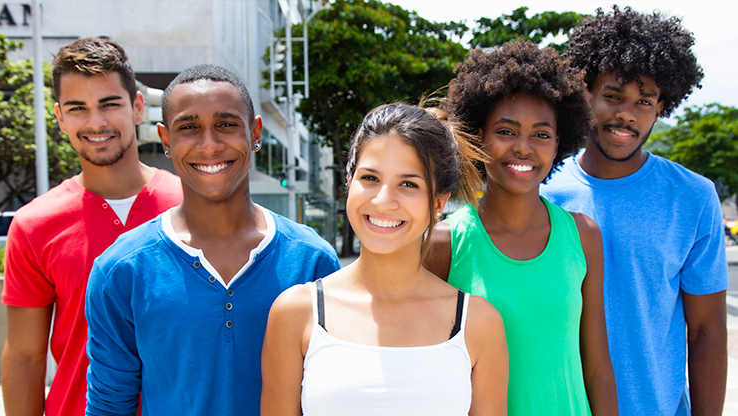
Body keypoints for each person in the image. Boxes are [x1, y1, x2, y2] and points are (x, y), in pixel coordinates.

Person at [84, 64, 340, 416]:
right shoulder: (120, 270)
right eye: (189, 127)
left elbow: (330, 396)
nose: (209, 144)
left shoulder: (313, 261)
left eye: (226, 124)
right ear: (165, 140)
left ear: (255, 133)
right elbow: (110, 404)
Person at [261, 102, 508, 416]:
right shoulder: (295, 313)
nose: (383, 201)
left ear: (438, 202)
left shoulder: (478, 323)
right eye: (370, 178)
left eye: (409, 184)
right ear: (349, 181)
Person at [539, 6, 728, 416]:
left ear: (662, 107)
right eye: (612, 96)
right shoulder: (541, 190)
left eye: (644, 101)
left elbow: (707, 330)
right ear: (585, 92)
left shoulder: (693, 197)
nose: (627, 113)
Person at [425, 40, 617, 415]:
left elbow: (596, 368)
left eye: (541, 134)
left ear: (558, 143)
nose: (524, 148)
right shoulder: (444, 243)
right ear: (479, 136)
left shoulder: (583, 235)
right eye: (507, 131)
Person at [0, 37, 183, 416]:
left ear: (136, 107)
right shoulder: (35, 224)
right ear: (60, 117)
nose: (96, 122)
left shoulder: (193, 203)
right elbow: (23, 356)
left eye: (109, 104)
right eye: (78, 108)